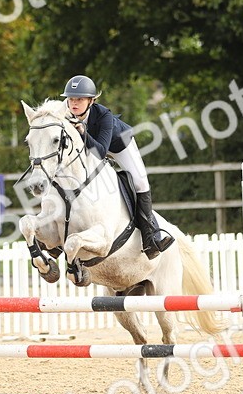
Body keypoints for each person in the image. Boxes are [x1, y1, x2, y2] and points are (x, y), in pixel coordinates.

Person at [61, 74, 175, 258]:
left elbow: (99, 152)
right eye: (71, 99)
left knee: (140, 182)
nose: (74, 103)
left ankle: (151, 237)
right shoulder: (65, 114)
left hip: (119, 145)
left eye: (79, 99)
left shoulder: (103, 115)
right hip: (90, 146)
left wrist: (82, 132)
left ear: (91, 101)